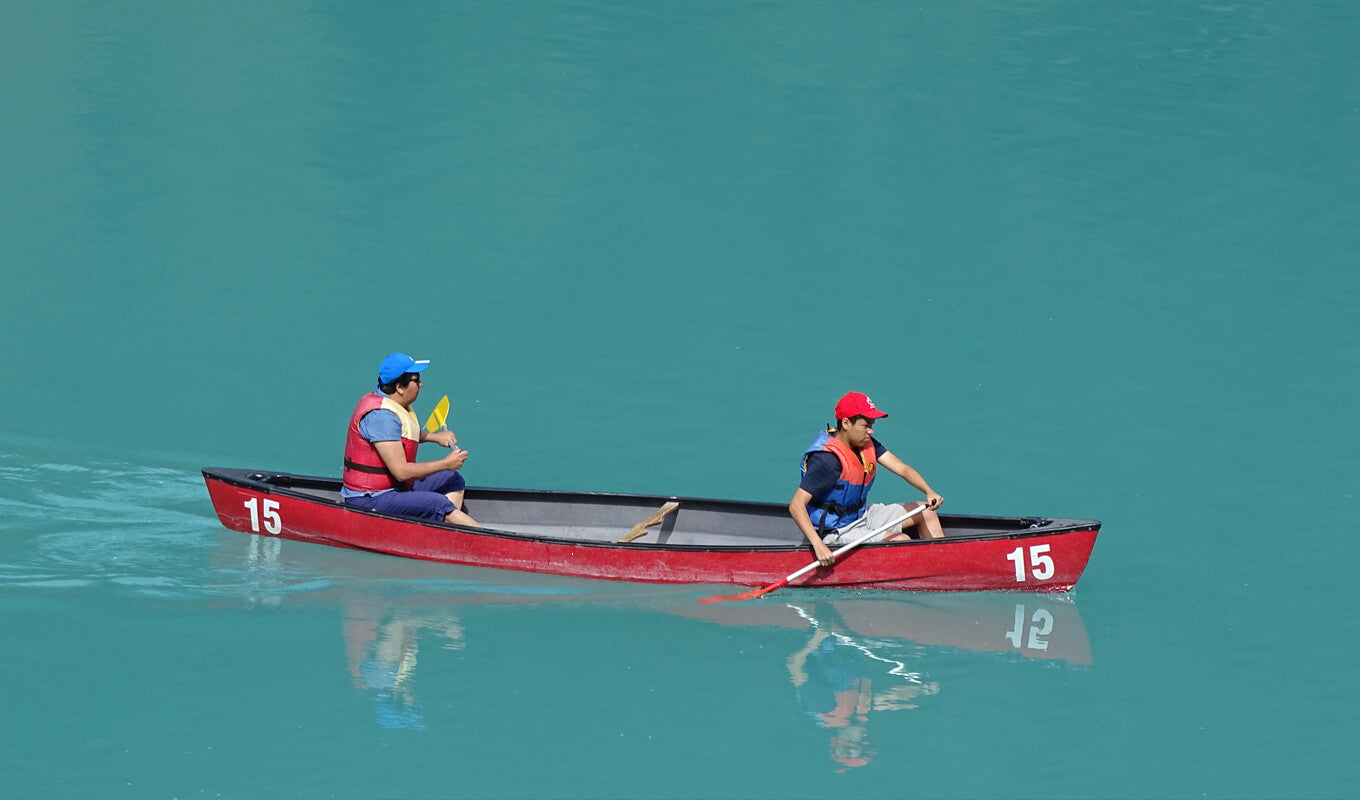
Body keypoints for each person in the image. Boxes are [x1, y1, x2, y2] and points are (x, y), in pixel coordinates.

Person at [790, 392, 943, 566]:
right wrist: (818, 545)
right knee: (901, 540)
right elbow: (796, 505)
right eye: (866, 425)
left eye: (872, 424)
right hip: (836, 531)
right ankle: (927, 573)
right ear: (846, 423)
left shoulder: (865, 443)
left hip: (861, 515)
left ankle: (942, 565)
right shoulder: (827, 461)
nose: (871, 430)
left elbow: (902, 468)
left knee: (926, 511)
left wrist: (928, 490)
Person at [341, 352, 479, 527]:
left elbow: (401, 435)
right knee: (438, 503)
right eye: (416, 379)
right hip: (370, 500)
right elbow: (401, 472)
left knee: (452, 479)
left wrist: (434, 437)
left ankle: (442, 533)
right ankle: (490, 543)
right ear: (399, 387)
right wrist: (445, 463)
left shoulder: (394, 404)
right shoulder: (381, 417)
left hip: (395, 487)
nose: (421, 383)